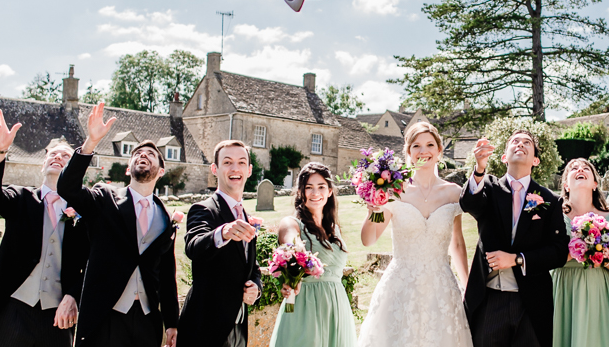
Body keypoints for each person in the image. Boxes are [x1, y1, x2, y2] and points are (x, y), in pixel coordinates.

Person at [57, 102, 178, 347]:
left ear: (162, 171)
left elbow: (167, 273)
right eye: (137, 153)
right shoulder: (104, 198)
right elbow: (67, 188)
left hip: (146, 320)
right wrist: (90, 143)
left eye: (151, 154)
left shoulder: (165, 218)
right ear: (127, 169)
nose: (143, 155)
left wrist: (172, 321)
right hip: (105, 316)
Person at [0, 110, 89, 347]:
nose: (57, 157)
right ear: (42, 165)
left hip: (57, 316)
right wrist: (0, 152)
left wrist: (73, 295)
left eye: (65, 155)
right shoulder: (21, 198)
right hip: (14, 309)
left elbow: (88, 263)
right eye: (52, 154)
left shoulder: (84, 211)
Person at [357, 122, 472, 347]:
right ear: (408, 152)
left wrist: (467, 285)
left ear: (439, 151)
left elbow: (457, 244)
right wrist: (374, 211)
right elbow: (368, 240)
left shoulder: (454, 193)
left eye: (430, 144)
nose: (423, 151)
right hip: (400, 288)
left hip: (442, 289)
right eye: (416, 145)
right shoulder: (393, 191)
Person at [459, 130, 570, 347]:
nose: (520, 144)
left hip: (531, 302)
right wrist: (479, 169)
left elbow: (558, 253)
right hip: (489, 298)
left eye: (527, 142)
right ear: (504, 157)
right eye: (514, 141)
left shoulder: (550, 200)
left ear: (535, 160)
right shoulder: (488, 188)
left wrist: (517, 259)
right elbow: (469, 204)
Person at [177, 140, 263, 347]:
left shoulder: (247, 216)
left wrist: (256, 288)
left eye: (242, 162)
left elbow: (252, 268)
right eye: (227, 162)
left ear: (249, 170)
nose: (235, 168)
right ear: (215, 169)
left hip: (238, 328)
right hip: (205, 328)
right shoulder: (203, 209)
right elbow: (194, 247)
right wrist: (223, 232)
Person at [269, 162, 357, 347]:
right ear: (301, 192)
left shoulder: (334, 229)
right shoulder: (291, 223)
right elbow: (291, 242)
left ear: (330, 191)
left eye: (321, 187)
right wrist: (298, 249)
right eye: (309, 187)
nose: (315, 193)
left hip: (336, 305)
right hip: (306, 306)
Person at [551, 158, 609, 347]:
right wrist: (574, 252)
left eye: (586, 168)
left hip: (599, 290)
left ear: (595, 184)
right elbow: (542, 255)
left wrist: (602, 258)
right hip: (562, 288)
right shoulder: (554, 217)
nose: (580, 169)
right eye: (573, 168)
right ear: (566, 185)